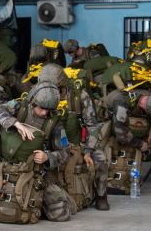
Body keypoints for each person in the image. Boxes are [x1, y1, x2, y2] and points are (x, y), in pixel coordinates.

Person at [0, 82, 73, 223]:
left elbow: (65, 151)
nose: (44, 113)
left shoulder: (55, 124)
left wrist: (47, 156)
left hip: (34, 172)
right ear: (33, 101)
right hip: (2, 167)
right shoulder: (18, 107)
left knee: (60, 213)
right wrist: (15, 123)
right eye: (41, 108)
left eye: (48, 110)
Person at [38, 63, 110, 210]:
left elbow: (92, 126)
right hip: (49, 144)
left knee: (101, 159)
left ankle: (101, 195)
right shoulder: (39, 96)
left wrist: (88, 151)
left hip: (77, 143)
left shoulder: (79, 97)